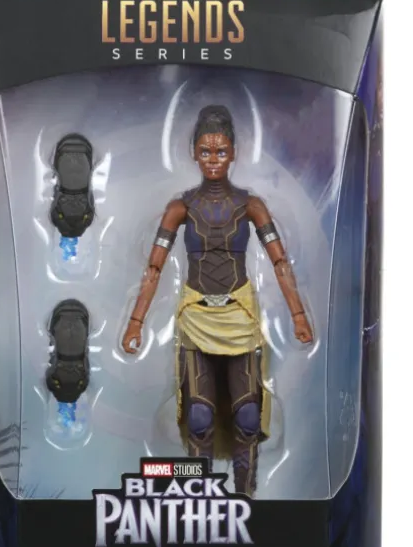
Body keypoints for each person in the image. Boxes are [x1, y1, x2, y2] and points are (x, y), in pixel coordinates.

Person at [122, 105, 312, 496]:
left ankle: (245, 500)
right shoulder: (179, 208)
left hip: (240, 318)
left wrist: (297, 314)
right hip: (196, 319)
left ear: (233, 153)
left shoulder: (252, 206)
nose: (213, 159)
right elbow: (154, 268)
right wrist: (135, 322)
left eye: (221, 151)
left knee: (247, 417)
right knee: (198, 418)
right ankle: (201, 497)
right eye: (206, 151)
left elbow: (280, 262)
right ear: (193, 152)